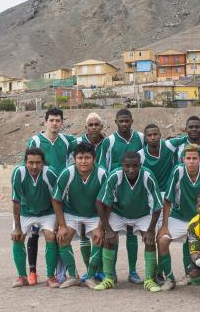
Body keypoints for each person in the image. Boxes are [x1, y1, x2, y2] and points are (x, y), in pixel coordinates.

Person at [157, 144, 200, 291]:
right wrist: (164, 226)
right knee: (162, 240)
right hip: (179, 216)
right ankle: (170, 278)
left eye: (194, 158)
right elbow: (167, 200)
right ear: (183, 159)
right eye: (188, 158)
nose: (191, 161)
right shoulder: (178, 171)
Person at [94, 152, 163, 293]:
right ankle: (109, 278)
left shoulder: (147, 176)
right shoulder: (115, 175)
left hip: (142, 214)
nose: (131, 170)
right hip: (119, 213)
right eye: (127, 166)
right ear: (122, 165)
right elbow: (99, 202)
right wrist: (108, 229)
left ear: (140, 165)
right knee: (109, 239)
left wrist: (150, 230)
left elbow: (157, 206)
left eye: (135, 166)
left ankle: (149, 280)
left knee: (150, 241)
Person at [23, 107, 77, 285]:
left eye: (58, 120)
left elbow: (86, 143)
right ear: (45, 122)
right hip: (40, 192)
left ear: (62, 123)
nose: (54, 123)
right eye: (51, 120)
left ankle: (57, 273)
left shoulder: (67, 140)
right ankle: (32, 272)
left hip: (59, 193)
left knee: (55, 234)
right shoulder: (35, 140)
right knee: (34, 233)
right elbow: (27, 165)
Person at [51, 142, 107, 288]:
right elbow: (56, 199)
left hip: (95, 214)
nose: (83, 161)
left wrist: (101, 227)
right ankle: (73, 276)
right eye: (80, 158)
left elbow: (107, 202)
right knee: (62, 237)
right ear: (74, 159)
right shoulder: (68, 173)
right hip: (72, 213)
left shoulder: (102, 173)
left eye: (87, 158)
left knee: (98, 238)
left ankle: (90, 276)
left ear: (94, 159)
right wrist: (62, 226)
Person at [99, 109, 145, 284]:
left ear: (132, 121)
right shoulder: (109, 141)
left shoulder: (140, 138)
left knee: (132, 233)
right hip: (115, 192)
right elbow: (102, 167)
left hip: (134, 191)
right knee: (113, 234)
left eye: (127, 121)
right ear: (116, 122)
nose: (124, 124)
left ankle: (132, 271)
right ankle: (111, 272)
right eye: (121, 121)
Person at [10, 147, 59, 288]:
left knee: (50, 236)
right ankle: (22, 277)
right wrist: (17, 228)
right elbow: (16, 201)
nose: (34, 166)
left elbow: (56, 199)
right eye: (30, 162)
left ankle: (51, 277)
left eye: (38, 163)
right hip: (26, 212)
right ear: (25, 162)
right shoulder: (18, 173)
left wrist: (59, 223)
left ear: (43, 163)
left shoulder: (50, 173)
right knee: (18, 237)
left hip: (47, 212)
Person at [71, 112, 107, 282]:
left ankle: (103, 270)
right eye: (90, 125)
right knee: (84, 234)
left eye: (96, 124)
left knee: (102, 235)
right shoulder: (76, 143)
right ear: (86, 127)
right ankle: (89, 270)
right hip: (82, 190)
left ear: (101, 126)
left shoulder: (108, 141)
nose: (93, 127)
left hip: (102, 186)